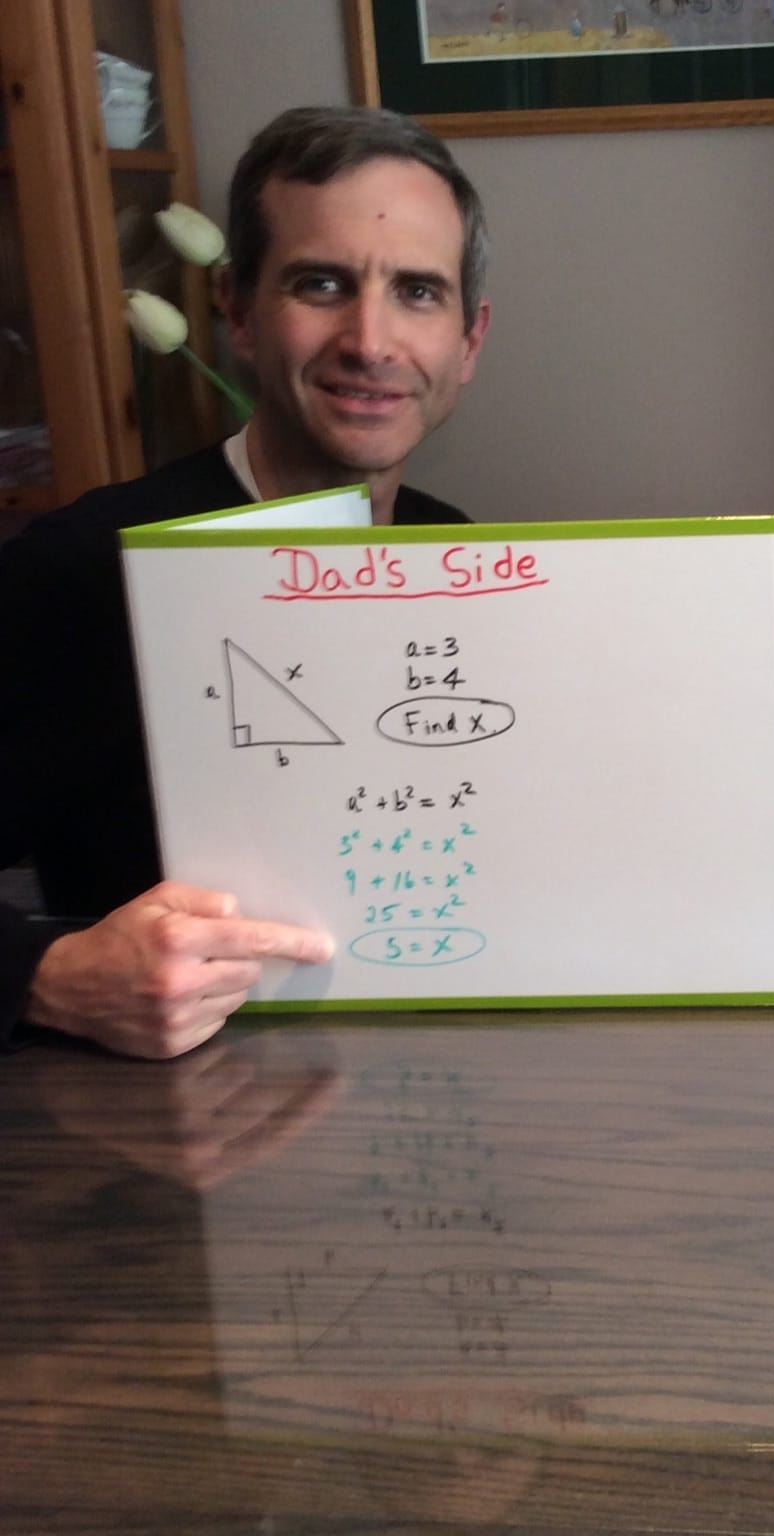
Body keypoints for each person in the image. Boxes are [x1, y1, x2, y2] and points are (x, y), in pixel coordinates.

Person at [0, 106, 492, 1060]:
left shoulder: (457, 556)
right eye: (321, 283)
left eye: (418, 293)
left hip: (433, 1089)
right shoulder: (73, 571)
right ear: (236, 310)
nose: (372, 340)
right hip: (150, 1144)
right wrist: (47, 979)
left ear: (468, 341)